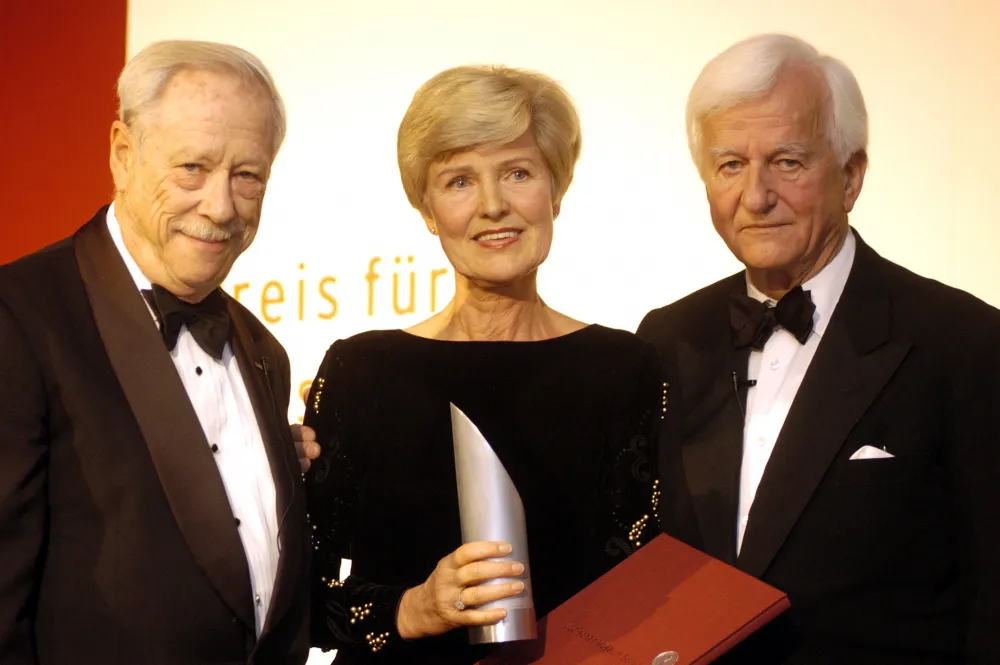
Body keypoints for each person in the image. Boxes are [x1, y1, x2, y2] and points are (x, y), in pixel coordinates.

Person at [637, 33, 1000, 664]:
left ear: (851, 176)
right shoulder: (669, 337)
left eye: (787, 161)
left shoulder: (964, 343)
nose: (755, 196)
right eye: (730, 165)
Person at [304, 65, 675, 664]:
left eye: (518, 173)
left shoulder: (626, 367)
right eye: (458, 182)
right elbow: (301, 599)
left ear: (555, 190)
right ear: (427, 211)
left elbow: (650, 578)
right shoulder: (362, 370)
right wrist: (415, 607)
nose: (494, 206)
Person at [0, 40, 311, 664]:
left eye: (247, 176)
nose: (220, 207)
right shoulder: (19, 317)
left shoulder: (264, 353)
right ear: (122, 153)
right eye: (192, 167)